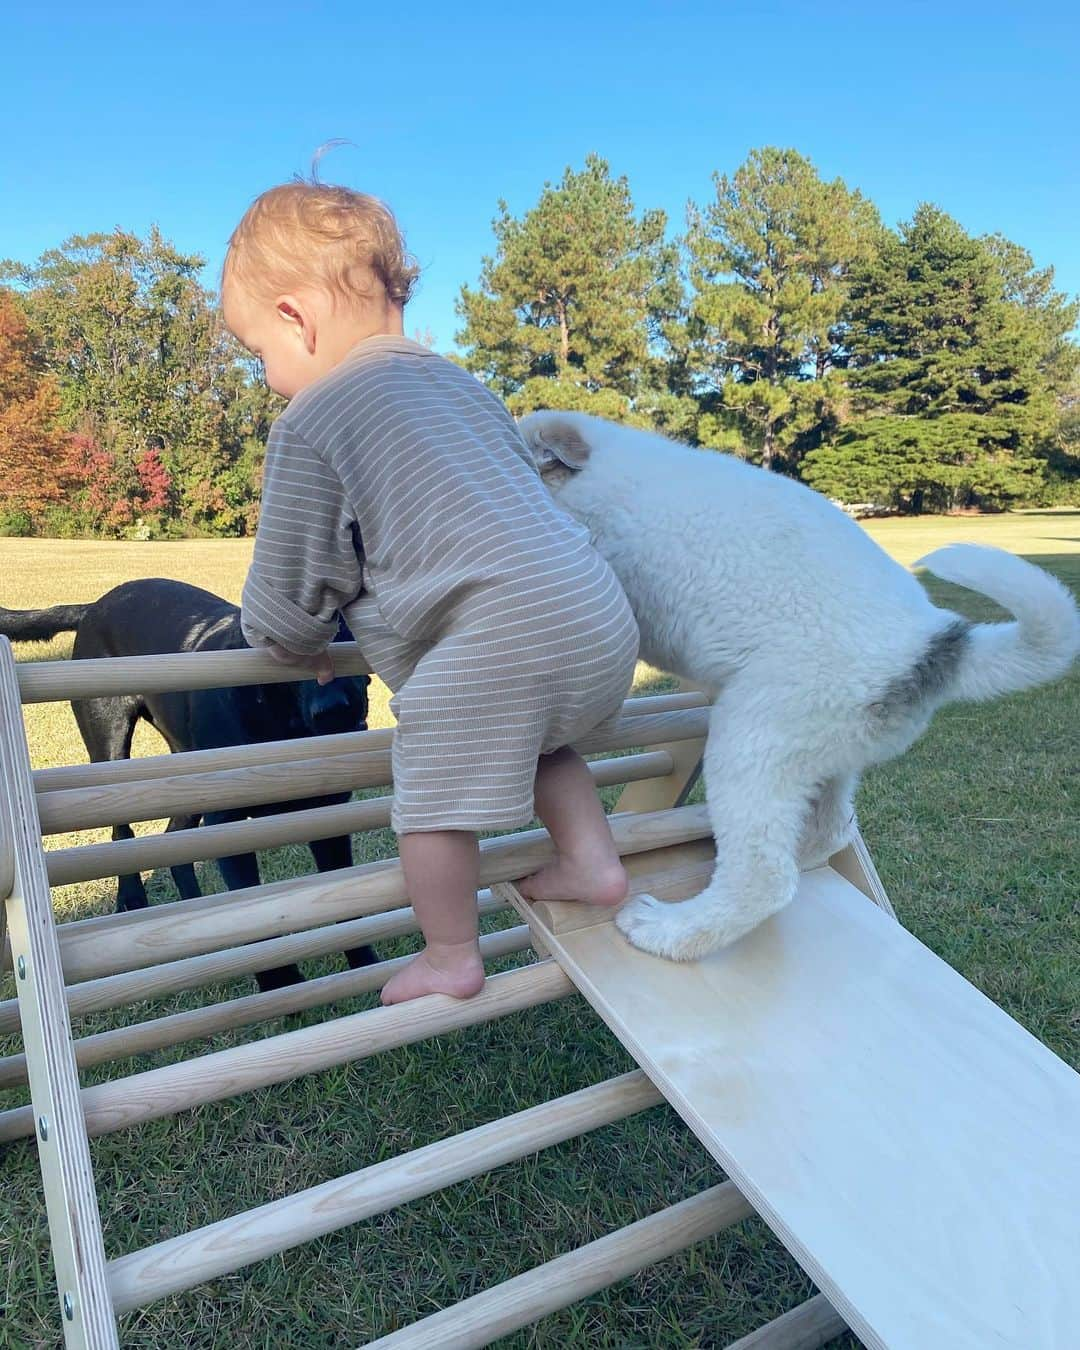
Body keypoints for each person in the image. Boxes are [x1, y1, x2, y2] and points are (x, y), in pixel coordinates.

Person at [222, 180, 640, 1004]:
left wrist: (289, 639)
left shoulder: (314, 417)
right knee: (543, 737)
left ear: (296, 318)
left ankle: (451, 954)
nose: (267, 375)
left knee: (431, 797)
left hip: (502, 639)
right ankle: (592, 863)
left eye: (257, 352)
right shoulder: (466, 389)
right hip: (595, 618)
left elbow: (288, 588)